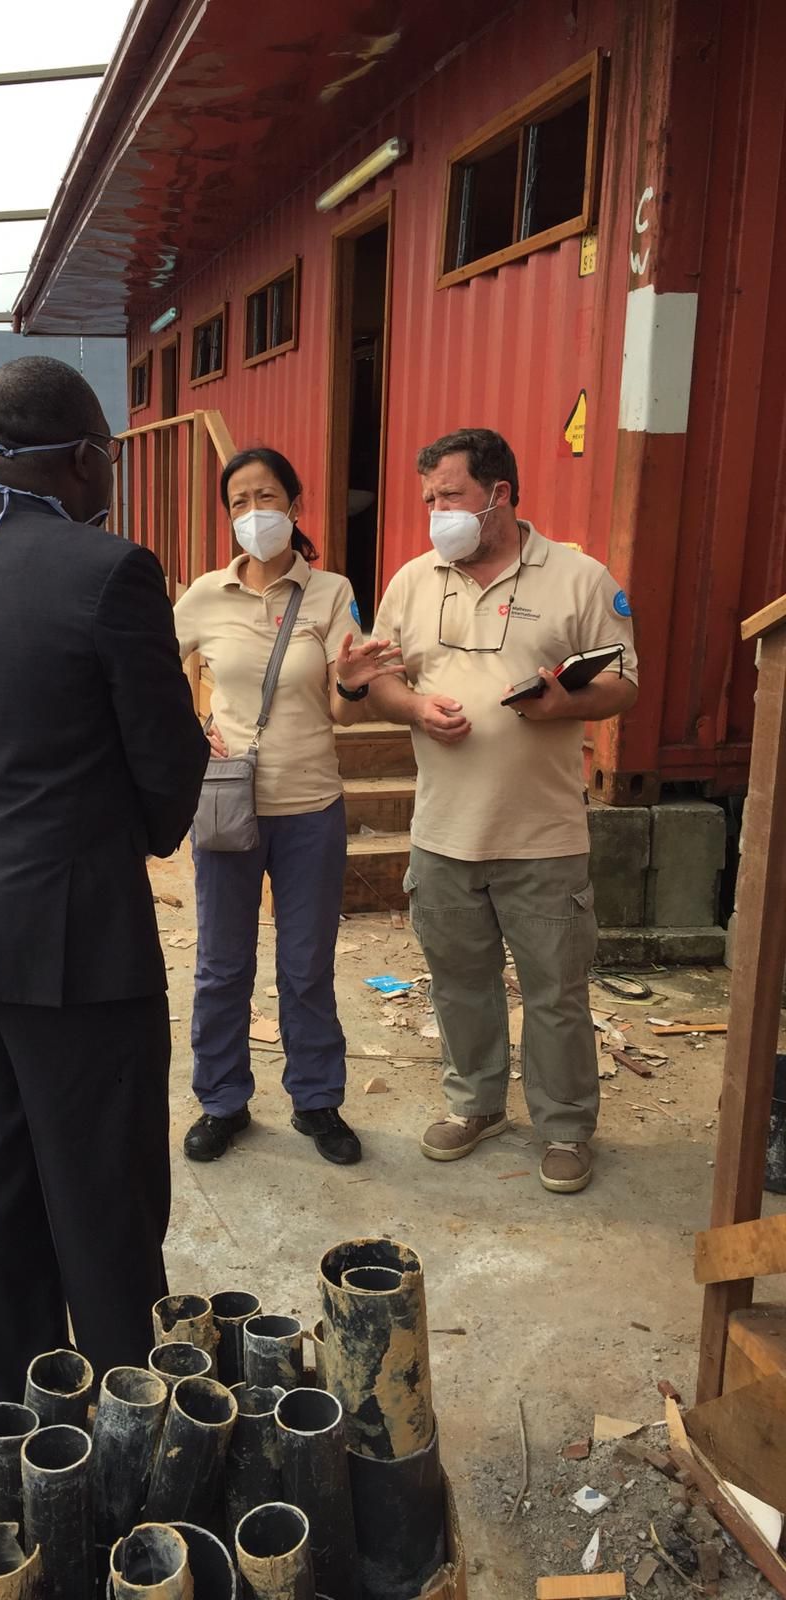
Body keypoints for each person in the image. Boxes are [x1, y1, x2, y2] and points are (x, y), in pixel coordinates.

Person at [0, 356, 208, 1401]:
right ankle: (128, 1427)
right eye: (106, 453)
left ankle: (29, 1422)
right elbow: (166, 765)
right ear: (80, 457)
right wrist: (141, 826)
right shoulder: (111, 572)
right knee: (104, 1195)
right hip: (76, 942)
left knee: (3, 1181)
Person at [369, 428, 638, 1194]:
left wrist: (563, 703)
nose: (437, 512)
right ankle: (476, 1104)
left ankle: (565, 1127)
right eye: (429, 499)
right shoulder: (413, 581)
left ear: (500, 494)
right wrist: (414, 707)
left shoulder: (579, 578)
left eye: (450, 496)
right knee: (459, 982)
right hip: (442, 835)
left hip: (542, 836)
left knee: (556, 993)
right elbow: (378, 681)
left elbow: (624, 682)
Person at [173, 447, 400, 1167]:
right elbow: (149, 675)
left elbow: (343, 710)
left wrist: (354, 682)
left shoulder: (330, 592)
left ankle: (316, 1100)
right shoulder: (204, 596)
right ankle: (222, 1101)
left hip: (310, 807)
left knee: (306, 966)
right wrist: (192, 732)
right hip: (226, 805)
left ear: (295, 507)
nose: (253, 512)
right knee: (221, 966)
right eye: (238, 501)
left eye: (266, 496)